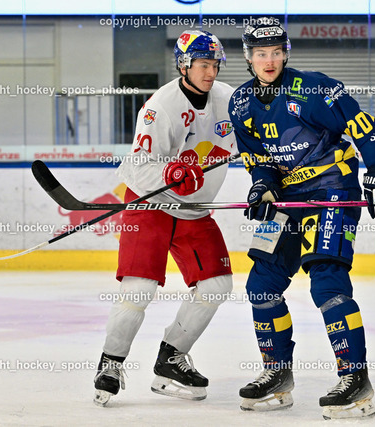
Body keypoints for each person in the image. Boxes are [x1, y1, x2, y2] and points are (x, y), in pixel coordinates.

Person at [228, 17, 375, 419]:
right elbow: (257, 158)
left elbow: (365, 128)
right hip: (288, 200)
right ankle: (277, 372)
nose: (269, 61)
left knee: (327, 282)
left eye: (276, 52)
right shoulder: (240, 103)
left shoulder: (313, 88)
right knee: (261, 286)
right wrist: (261, 186)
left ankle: (354, 376)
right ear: (249, 58)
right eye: (260, 54)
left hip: (332, 190)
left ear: (285, 53)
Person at [93, 30, 235, 406]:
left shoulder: (228, 100)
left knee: (217, 286)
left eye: (215, 65)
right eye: (202, 64)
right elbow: (139, 167)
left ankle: (171, 357)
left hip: (193, 210)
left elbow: (255, 143)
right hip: (150, 203)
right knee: (138, 289)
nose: (210, 72)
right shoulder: (161, 107)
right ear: (183, 65)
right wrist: (170, 172)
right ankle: (111, 363)